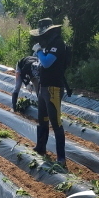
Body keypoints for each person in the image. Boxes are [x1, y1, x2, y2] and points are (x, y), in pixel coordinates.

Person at [29, 18, 67, 167]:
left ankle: (61, 158)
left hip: (54, 88)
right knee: (42, 119)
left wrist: (38, 51)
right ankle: (41, 147)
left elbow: (46, 62)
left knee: (56, 122)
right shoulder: (49, 44)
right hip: (44, 87)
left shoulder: (58, 44)